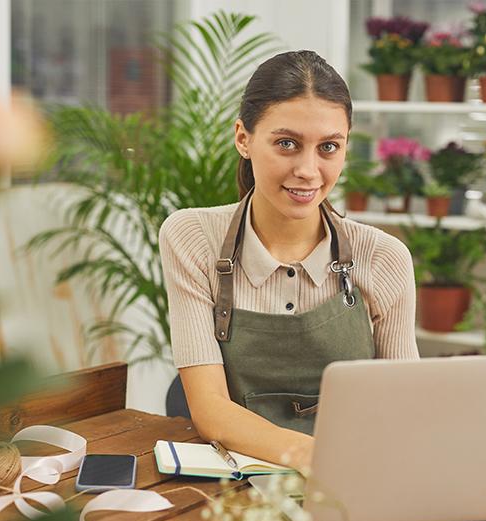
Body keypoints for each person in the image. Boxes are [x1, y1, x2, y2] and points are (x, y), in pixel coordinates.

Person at [159, 50, 418, 473]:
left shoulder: (384, 258)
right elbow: (209, 409)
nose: (308, 170)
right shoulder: (192, 239)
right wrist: (309, 457)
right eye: (286, 143)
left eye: (328, 148)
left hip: (355, 474)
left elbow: (403, 405)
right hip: (238, 477)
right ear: (243, 138)